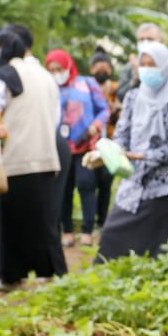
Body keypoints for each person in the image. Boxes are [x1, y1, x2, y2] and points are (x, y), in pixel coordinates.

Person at [0, 28, 66, 288]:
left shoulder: (1, 77)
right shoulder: (45, 75)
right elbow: (56, 116)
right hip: (45, 155)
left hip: (14, 159)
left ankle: (10, 275)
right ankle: (49, 271)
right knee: (44, 219)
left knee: (12, 222)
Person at [94, 40, 168, 261]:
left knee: (158, 248)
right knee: (112, 235)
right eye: (143, 64)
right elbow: (121, 132)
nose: (147, 69)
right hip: (132, 181)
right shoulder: (133, 97)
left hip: (161, 186)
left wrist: (144, 155)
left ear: (165, 67)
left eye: (152, 64)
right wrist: (114, 150)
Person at [46, 49, 109, 247]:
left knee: (86, 185)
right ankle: (67, 230)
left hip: (85, 146)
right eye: (52, 69)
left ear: (68, 66)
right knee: (63, 189)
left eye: (60, 68)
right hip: (59, 148)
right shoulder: (48, 87)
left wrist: (95, 127)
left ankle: (87, 230)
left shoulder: (87, 84)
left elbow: (104, 109)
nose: (57, 73)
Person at [88, 50, 121, 228]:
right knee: (90, 181)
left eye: (105, 69)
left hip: (110, 141)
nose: (101, 73)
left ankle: (102, 219)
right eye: (98, 69)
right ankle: (90, 218)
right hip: (90, 143)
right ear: (91, 69)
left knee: (105, 182)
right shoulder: (87, 87)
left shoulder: (116, 88)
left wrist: (116, 108)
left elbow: (122, 114)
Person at [116, 22, 167, 105]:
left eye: (150, 39)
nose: (145, 42)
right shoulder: (130, 67)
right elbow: (121, 96)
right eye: (142, 40)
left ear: (161, 41)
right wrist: (136, 79)